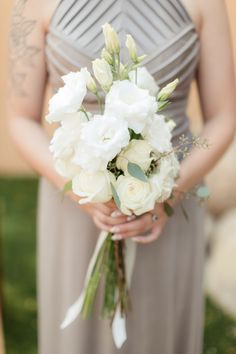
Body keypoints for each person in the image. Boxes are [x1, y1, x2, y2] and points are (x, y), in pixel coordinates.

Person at [8, 0, 236, 353]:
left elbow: (224, 117)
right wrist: (79, 192)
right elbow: (19, 119)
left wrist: (168, 194)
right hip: (73, 204)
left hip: (170, 204)